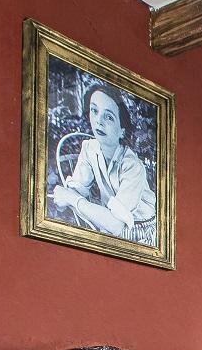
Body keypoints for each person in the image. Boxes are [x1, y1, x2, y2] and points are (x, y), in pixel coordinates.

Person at [51, 83, 157, 243]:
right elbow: (73, 193)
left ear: (122, 131)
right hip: (107, 223)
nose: (98, 121)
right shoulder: (89, 148)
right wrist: (66, 197)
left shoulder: (132, 166)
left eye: (109, 117)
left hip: (140, 231)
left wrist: (71, 199)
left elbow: (117, 225)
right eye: (94, 111)